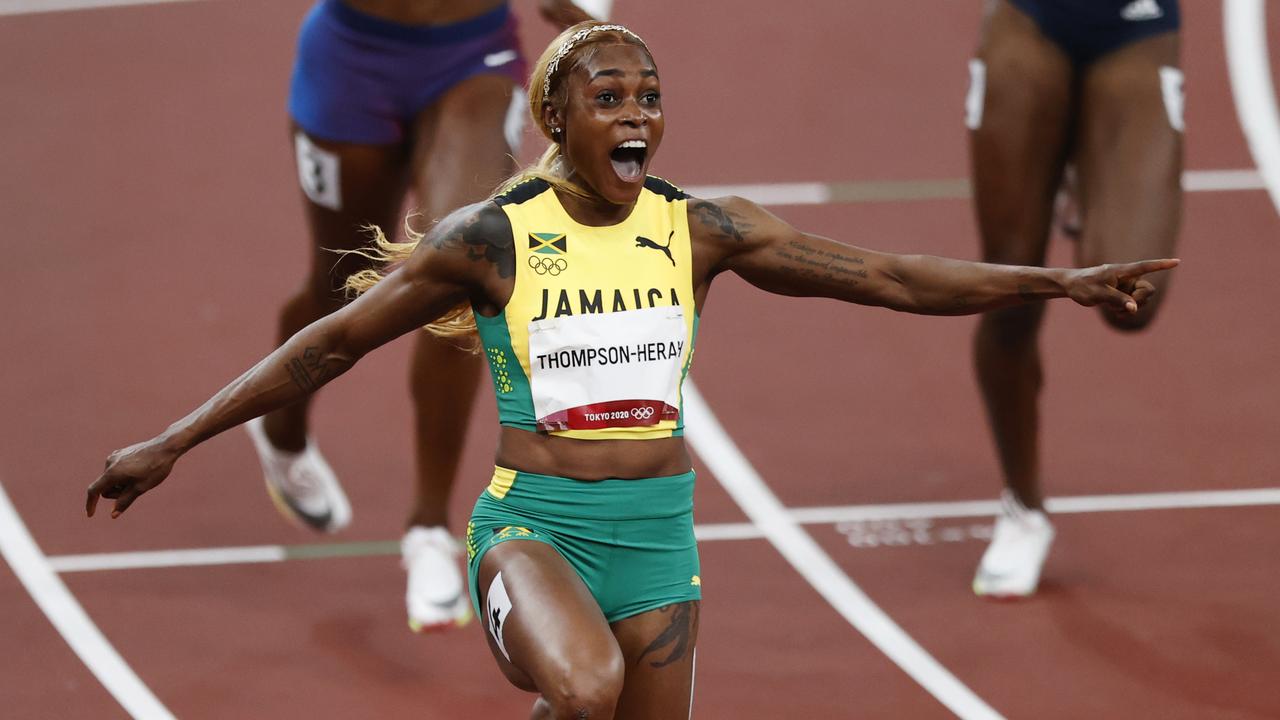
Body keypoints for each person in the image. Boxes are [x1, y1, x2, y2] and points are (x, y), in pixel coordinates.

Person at [88, 22, 1178, 718]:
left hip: (659, 539)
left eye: (647, 97)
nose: (635, 116)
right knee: (587, 688)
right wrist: (173, 443)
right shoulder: (489, 238)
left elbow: (888, 276)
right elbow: (328, 342)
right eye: (609, 99)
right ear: (553, 119)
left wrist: (1052, 284)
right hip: (532, 530)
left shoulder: (700, 230)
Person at [252, 0, 594, 632]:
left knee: (458, 276)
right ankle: (282, 435)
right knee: (343, 285)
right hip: (350, 58)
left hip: (472, 56)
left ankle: (430, 530)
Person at [965, 0, 1183, 598]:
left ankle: (1083, 163)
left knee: (1135, 299)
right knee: (1011, 291)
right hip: (1029, 22)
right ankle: (1024, 507)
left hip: (1136, 24)